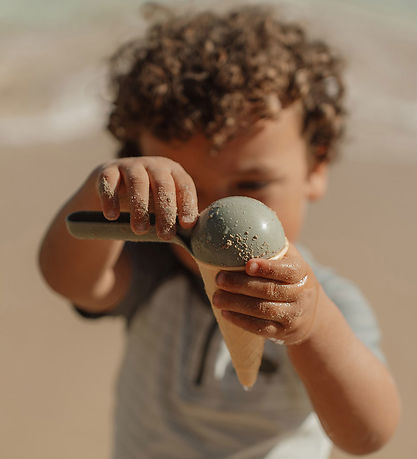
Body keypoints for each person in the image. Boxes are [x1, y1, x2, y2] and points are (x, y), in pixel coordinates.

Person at [38, 4, 400, 458]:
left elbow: (367, 434)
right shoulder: (151, 273)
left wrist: (312, 328)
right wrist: (104, 193)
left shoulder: (326, 303)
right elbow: (67, 277)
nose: (216, 217)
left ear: (316, 165)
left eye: (251, 186)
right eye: (185, 190)